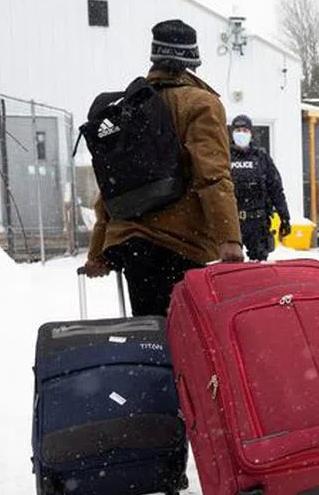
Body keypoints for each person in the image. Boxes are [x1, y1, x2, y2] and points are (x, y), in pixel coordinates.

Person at [83, 19, 244, 315]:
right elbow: (212, 174)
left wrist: (97, 253)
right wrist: (229, 239)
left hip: (130, 244)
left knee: (151, 338)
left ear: (155, 57)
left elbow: (111, 185)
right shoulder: (201, 103)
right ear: (191, 60)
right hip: (180, 241)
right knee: (183, 340)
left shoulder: (129, 106)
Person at [229, 114, 291, 262]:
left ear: (251, 133)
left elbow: (276, 188)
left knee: (259, 266)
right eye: (238, 130)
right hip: (231, 222)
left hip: (257, 222)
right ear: (232, 133)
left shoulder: (261, 158)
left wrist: (285, 217)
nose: (241, 134)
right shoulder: (225, 156)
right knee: (230, 265)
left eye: (245, 130)